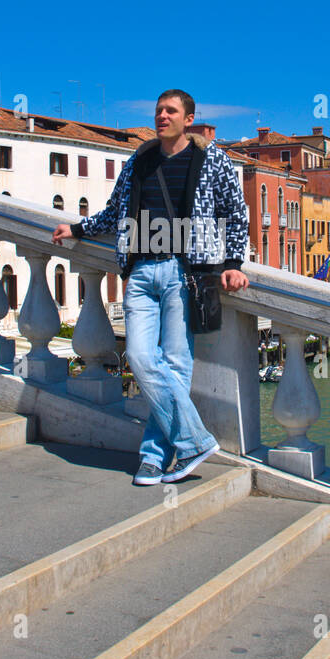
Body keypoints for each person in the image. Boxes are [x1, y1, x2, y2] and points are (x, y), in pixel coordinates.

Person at [53, 89, 249, 485]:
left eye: (170, 111)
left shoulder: (213, 159)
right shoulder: (139, 159)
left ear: (188, 119)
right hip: (141, 271)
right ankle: (194, 441)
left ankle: (153, 457)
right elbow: (114, 211)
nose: (162, 116)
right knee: (141, 360)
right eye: (159, 110)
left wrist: (233, 263)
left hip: (185, 272)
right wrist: (77, 228)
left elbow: (235, 211)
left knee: (176, 365)